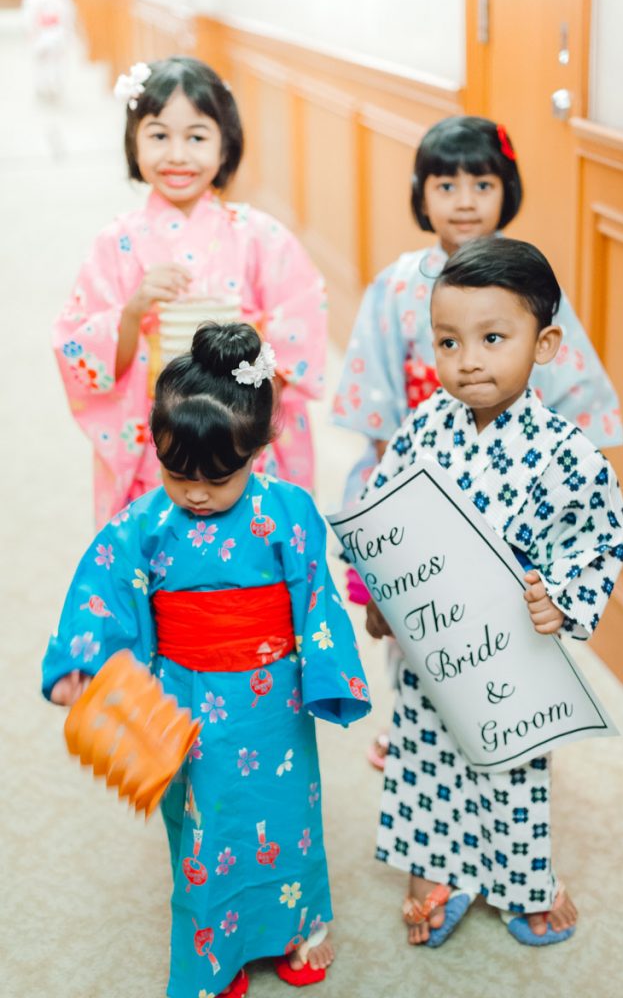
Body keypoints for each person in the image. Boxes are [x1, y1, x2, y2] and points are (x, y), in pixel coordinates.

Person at [42, 323, 370, 997]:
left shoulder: (288, 511)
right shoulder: (143, 525)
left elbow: (316, 599)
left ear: (258, 448)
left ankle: (298, 928)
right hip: (183, 699)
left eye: (217, 477)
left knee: (288, 818)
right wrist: (83, 663)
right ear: (155, 448)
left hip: (272, 704)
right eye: (174, 472)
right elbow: (103, 591)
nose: (193, 492)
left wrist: (327, 677)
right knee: (203, 830)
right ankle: (213, 954)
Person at [357, 237, 623, 949]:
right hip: (431, 647)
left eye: (492, 337)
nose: (466, 358)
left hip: (509, 656)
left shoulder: (566, 454)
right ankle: (433, 873)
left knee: (510, 772)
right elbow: (380, 517)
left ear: (543, 345)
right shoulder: (422, 430)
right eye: (447, 342)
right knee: (422, 758)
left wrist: (561, 598)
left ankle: (519, 882)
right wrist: (378, 594)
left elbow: (595, 536)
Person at [331, 115, 623, 768]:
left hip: (509, 489)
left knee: (499, 632)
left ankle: (503, 728)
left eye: (481, 183)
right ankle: (412, 724)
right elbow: (376, 396)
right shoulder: (395, 287)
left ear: (506, 190)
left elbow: (571, 394)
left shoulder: (529, 284)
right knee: (415, 621)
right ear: (420, 193)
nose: (463, 200)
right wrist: (392, 493)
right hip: (418, 476)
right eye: (445, 184)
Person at [53, 56, 326, 529]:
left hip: (240, 434)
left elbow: (302, 325)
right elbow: (81, 351)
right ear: (133, 142)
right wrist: (133, 311)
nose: (177, 154)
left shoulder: (261, 236)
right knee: (157, 568)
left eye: (197, 137)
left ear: (226, 145)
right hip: (157, 436)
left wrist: (254, 345)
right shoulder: (116, 243)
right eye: (159, 136)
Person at [21, 0, 75, 102]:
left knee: (41, 63)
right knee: (56, 62)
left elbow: (28, 19)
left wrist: (31, 34)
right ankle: (55, 85)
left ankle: (43, 87)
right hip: (58, 33)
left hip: (41, 34)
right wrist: (67, 34)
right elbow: (69, 17)